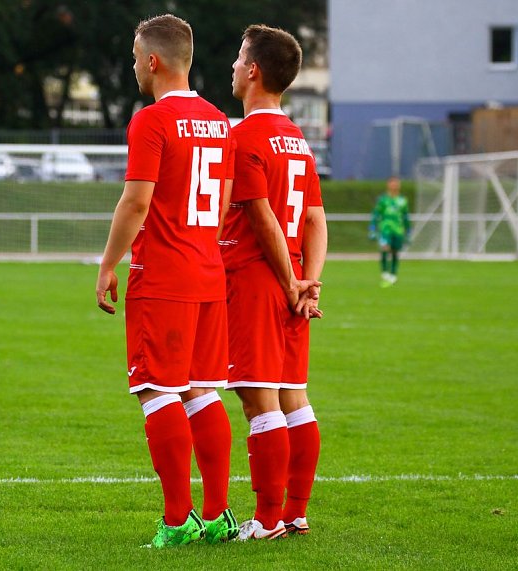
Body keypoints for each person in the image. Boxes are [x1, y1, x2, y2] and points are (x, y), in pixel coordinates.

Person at [95, 14, 238, 548]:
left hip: (164, 276)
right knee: (202, 392)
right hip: (207, 271)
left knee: (158, 391)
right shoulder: (219, 121)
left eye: (135, 57)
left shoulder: (151, 121)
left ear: (152, 61)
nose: (134, 66)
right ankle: (219, 514)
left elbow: (136, 200)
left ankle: (177, 522)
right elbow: (222, 202)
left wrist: (109, 263)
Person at [221, 24, 327, 540]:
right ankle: (296, 512)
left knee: (259, 401)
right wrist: (311, 282)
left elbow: (261, 216)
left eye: (240, 59)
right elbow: (314, 220)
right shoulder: (298, 140)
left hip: (258, 279)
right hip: (292, 281)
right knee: (293, 396)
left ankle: (266, 521)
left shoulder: (242, 137)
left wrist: (288, 281)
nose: (234, 68)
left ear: (255, 71)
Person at [369, 176, 410, 287]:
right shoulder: (383, 200)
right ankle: (385, 273)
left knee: (395, 252)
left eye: (396, 183)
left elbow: (406, 217)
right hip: (385, 229)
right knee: (385, 248)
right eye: (392, 183)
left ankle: (393, 274)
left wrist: (408, 231)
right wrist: (372, 228)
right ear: (388, 185)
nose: (394, 185)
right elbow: (376, 214)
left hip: (398, 230)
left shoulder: (403, 201)